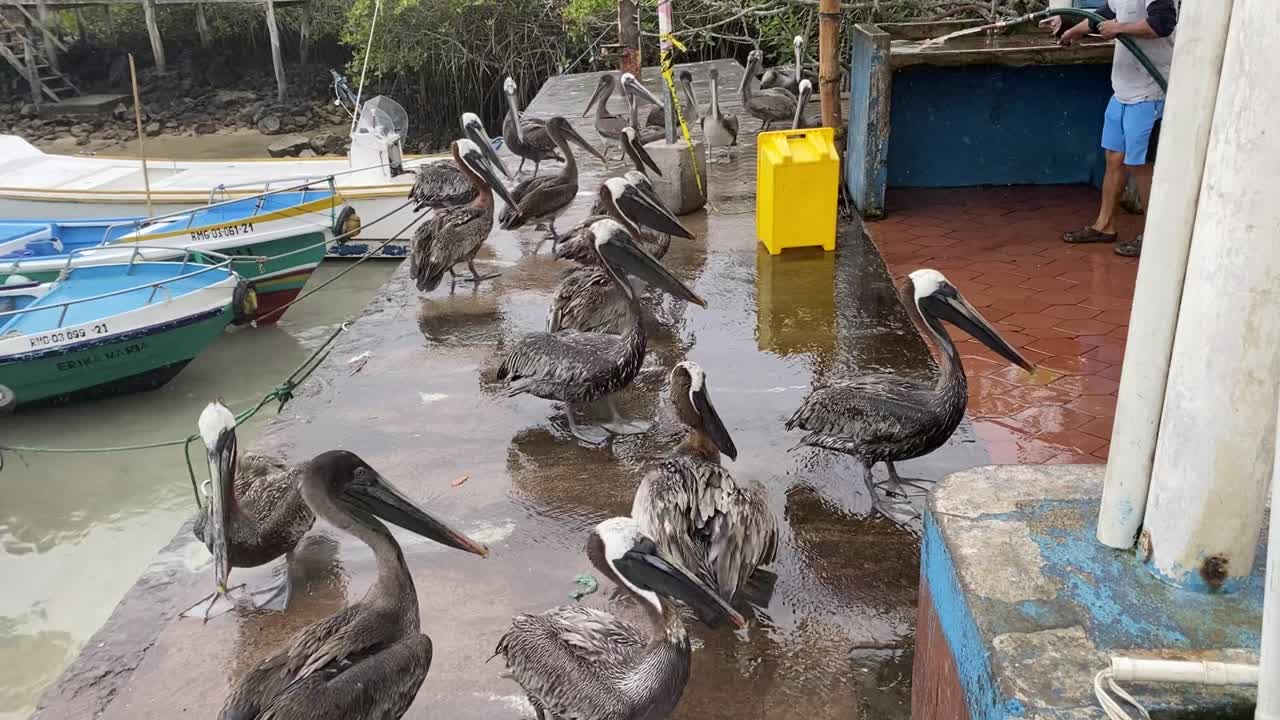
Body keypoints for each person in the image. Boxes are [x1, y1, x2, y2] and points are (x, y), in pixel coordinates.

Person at [1047, 1, 1177, 257]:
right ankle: (1104, 225)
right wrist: (1076, 30)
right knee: (1114, 158)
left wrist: (1120, 28)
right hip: (1123, 91)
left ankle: (1154, 235)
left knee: (1140, 164)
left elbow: (1162, 24)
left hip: (1150, 93)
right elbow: (1106, 15)